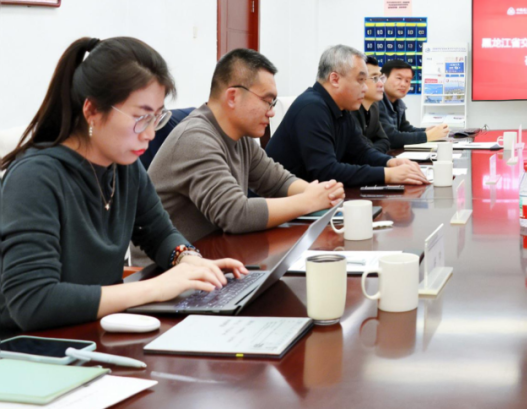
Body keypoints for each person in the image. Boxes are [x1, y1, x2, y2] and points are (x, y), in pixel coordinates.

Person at [0, 37, 247, 332]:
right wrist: (158, 287)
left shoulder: (124, 165)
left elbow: (158, 233)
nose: (150, 133)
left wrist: (188, 259)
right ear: (92, 111)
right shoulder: (35, 178)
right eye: (141, 117)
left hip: (99, 331)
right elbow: (33, 302)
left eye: (156, 117)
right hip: (33, 347)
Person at [150, 49, 345, 245]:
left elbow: (277, 181)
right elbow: (235, 214)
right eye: (267, 101)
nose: (271, 112)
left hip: (214, 252)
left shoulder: (240, 138)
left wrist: (321, 193)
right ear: (232, 97)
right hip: (172, 261)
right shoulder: (195, 139)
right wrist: (309, 201)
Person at [267, 46, 427, 186]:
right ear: (335, 79)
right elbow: (326, 171)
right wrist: (387, 174)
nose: (365, 88)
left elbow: (361, 152)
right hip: (282, 202)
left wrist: (391, 162)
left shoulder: (341, 109)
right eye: (361, 80)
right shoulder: (312, 108)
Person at [379, 59, 449, 148]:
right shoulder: (376, 102)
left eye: (407, 80)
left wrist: (427, 130)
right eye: (399, 78)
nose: (403, 84)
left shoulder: (398, 104)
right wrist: (427, 136)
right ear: (383, 78)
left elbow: (405, 129)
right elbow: (390, 137)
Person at [354, 56, 391, 153]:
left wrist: (372, 153)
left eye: (380, 78)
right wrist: (371, 154)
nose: (381, 84)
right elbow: (357, 150)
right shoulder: (350, 110)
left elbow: (384, 140)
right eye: (374, 78)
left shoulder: (374, 107)